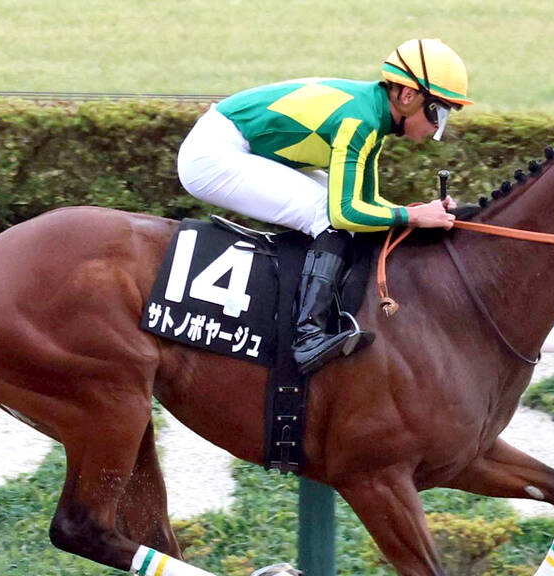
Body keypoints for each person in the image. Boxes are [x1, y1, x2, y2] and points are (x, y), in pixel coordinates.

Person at [177, 38, 471, 374]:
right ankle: (308, 337)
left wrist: (420, 214)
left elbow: (369, 204)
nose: (438, 127)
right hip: (212, 155)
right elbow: (344, 213)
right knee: (327, 215)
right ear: (407, 96)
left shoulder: (373, 116)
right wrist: (412, 215)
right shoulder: (359, 120)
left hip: (232, 142)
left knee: (339, 213)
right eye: (437, 112)